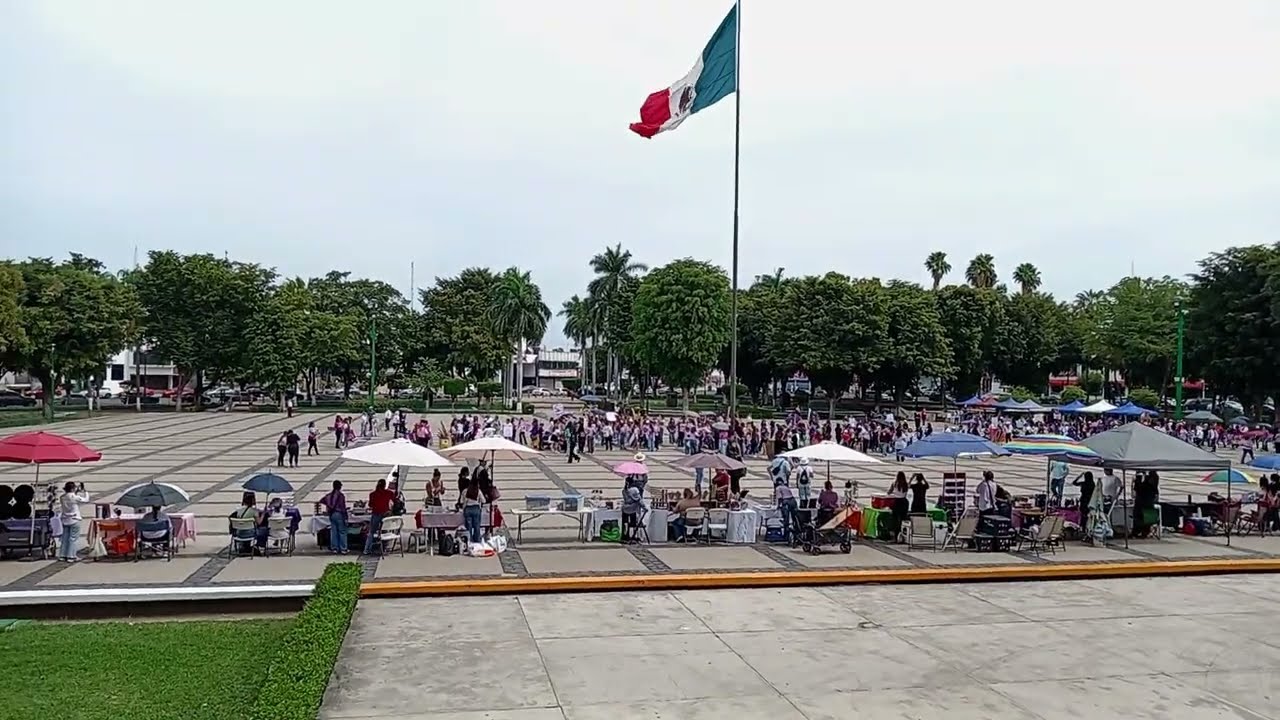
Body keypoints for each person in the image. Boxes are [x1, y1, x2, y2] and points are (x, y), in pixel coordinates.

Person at [57, 481, 89, 562]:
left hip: (65, 519)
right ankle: (71, 556)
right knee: (73, 538)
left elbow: (71, 496)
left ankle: (62, 555)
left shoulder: (62, 497)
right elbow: (86, 500)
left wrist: (76, 492)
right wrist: (85, 491)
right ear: (72, 488)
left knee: (65, 538)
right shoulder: (74, 497)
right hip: (74, 519)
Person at [364, 479, 396, 555]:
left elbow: (370, 505)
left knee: (371, 532)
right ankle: (384, 547)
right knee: (385, 530)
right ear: (385, 485)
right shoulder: (388, 493)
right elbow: (395, 499)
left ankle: (367, 549)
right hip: (385, 514)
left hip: (376, 514)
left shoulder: (372, 494)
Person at [460, 474, 490, 544]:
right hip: (476, 509)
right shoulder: (478, 491)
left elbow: (461, 501)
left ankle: (469, 540)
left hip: (467, 509)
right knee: (477, 526)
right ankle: (477, 540)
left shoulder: (465, 491)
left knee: (468, 526)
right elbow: (484, 501)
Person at [322, 480, 349, 554]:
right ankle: (343, 548)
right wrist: (346, 517)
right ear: (339, 487)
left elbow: (322, 500)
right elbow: (343, 507)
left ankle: (334, 548)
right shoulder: (340, 496)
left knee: (334, 532)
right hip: (339, 514)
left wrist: (329, 506)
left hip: (332, 514)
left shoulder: (329, 495)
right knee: (342, 531)